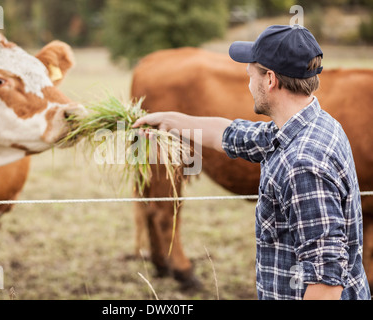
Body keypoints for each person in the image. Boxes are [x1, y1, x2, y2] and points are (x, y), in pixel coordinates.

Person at [132, 25, 371, 300]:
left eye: (250, 75)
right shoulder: (311, 126)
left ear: (269, 79)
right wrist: (172, 121)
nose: (247, 83)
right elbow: (232, 134)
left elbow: (326, 285)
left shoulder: (304, 165)